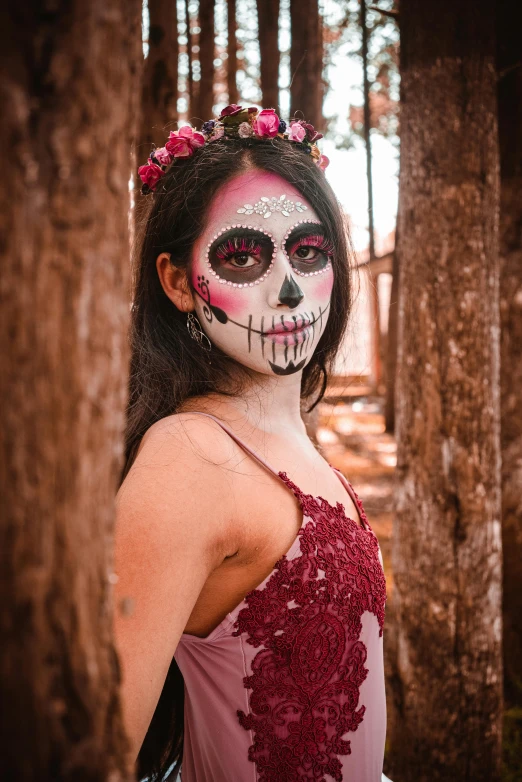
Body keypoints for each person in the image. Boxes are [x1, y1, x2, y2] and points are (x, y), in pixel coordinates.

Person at [114, 104, 390, 782]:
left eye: (308, 252)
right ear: (178, 282)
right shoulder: (188, 456)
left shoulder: (289, 437)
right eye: (242, 256)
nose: (290, 291)